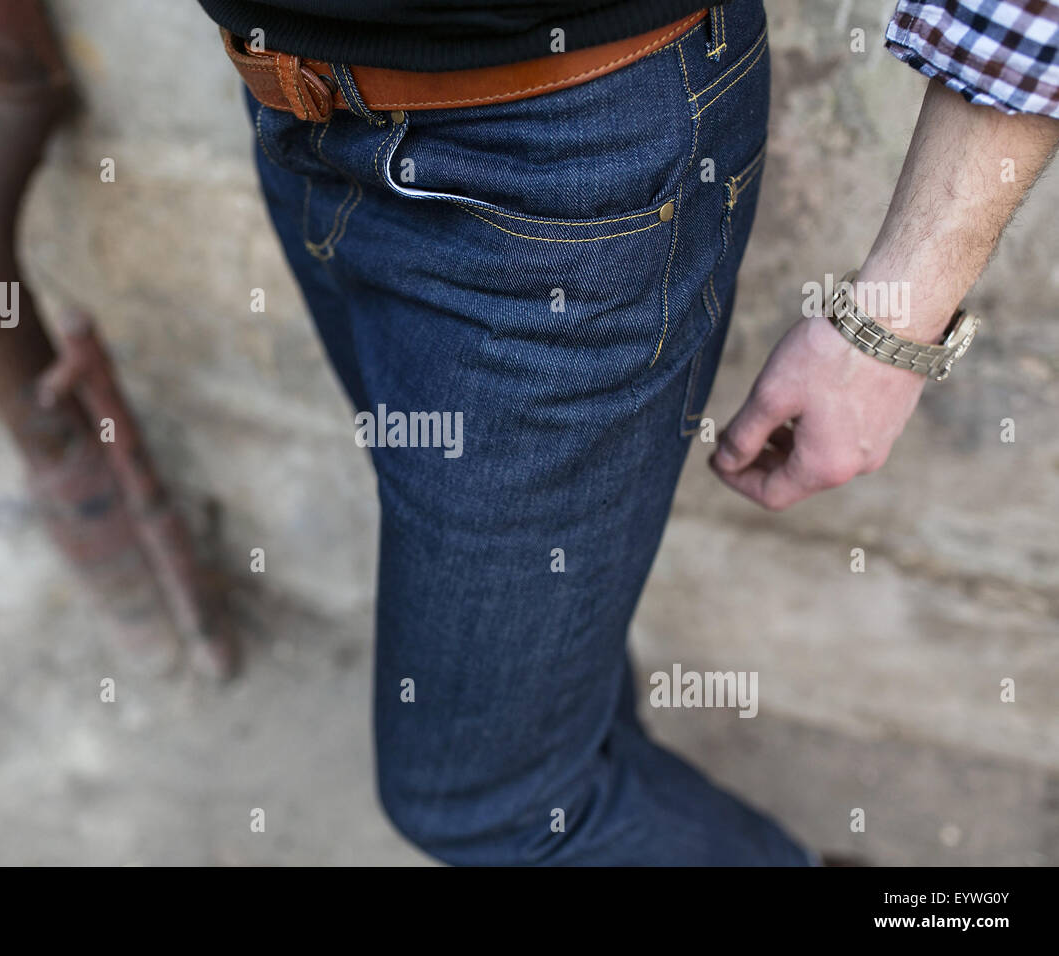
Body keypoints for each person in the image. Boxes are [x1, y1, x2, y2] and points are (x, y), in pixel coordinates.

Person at [197, 0, 1059, 864]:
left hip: (556, 173)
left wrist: (896, 325)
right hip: (296, 112)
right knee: (553, 698)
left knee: (488, 805)